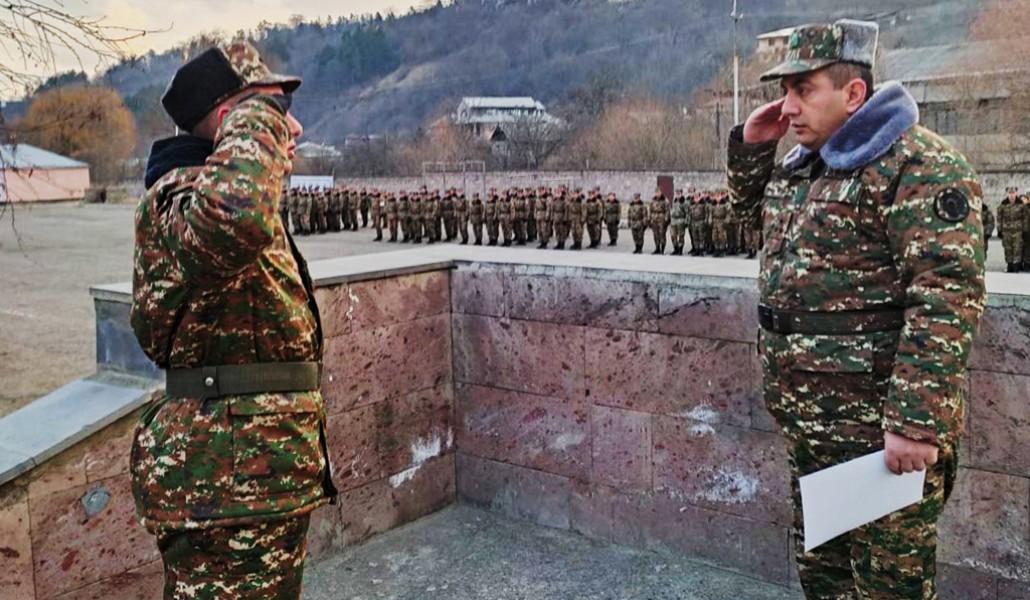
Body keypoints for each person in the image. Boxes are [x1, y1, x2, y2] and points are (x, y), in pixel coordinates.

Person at [728, 20, 985, 599]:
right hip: (813, 426)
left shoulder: (917, 164)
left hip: (880, 438)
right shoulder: (808, 165)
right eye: (785, 90)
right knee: (827, 581)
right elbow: (753, 226)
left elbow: (946, 294)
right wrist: (753, 148)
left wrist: (913, 424)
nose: (788, 106)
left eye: (803, 89)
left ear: (853, 93)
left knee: (888, 587)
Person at [132, 41, 337, 600]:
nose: (292, 128)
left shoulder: (201, 193)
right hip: (226, 481)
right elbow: (234, 219)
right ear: (231, 119)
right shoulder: (179, 195)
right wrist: (256, 114)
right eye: (276, 110)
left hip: (252, 475)